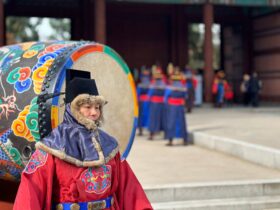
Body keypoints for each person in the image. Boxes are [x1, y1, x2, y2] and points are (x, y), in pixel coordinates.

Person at [13, 76, 153, 210]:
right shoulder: (51, 146)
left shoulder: (109, 146)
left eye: (97, 107)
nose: (94, 113)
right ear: (72, 108)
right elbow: (30, 192)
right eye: (88, 107)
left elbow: (130, 190)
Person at [164, 71, 188, 146]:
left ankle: (170, 140)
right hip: (180, 107)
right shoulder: (183, 88)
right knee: (181, 123)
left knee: (171, 123)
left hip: (172, 107)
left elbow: (165, 98)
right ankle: (184, 140)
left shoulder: (169, 88)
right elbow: (186, 97)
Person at [137, 67, 151, 136]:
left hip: (143, 102)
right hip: (147, 102)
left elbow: (138, 94)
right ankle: (150, 132)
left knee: (142, 116)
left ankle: (141, 130)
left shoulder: (140, 85)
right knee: (147, 117)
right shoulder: (150, 85)